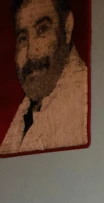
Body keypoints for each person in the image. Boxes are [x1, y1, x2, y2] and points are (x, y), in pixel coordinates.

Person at [0, 0, 88, 156]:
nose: (31, 53)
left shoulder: (83, 98)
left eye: (42, 30)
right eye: (22, 39)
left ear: (67, 29)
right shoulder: (26, 113)